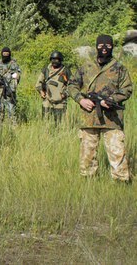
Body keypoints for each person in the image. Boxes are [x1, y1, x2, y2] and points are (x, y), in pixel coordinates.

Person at [67, 34, 132, 181]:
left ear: (112, 47)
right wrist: (81, 100)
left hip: (112, 118)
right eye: (101, 45)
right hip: (88, 116)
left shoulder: (119, 68)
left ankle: (121, 183)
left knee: (117, 153)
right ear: (96, 46)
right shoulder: (86, 66)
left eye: (108, 46)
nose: (104, 48)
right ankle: (87, 182)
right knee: (87, 154)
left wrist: (110, 100)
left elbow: (127, 89)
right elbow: (71, 85)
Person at [35, 51, 71, 123]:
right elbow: (38, 83)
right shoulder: (46, 70)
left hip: (60, 102)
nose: (54, 61)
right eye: (53, 59)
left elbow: (72, 85)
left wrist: (65, 94)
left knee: (59, 123)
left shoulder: (66, 71)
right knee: (45, 123)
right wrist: (41, 92)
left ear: (60, 60)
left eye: (56, 59)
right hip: (47, 101)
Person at [0, 47, 21, 122]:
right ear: (1, 54)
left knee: (11, 111)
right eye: (4, 54)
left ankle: (13, 129)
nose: (5, 56)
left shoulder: (14, 64)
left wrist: (9, 77)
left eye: (7, 54)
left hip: (9, 90)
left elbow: (17, 76)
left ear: (10, 54)